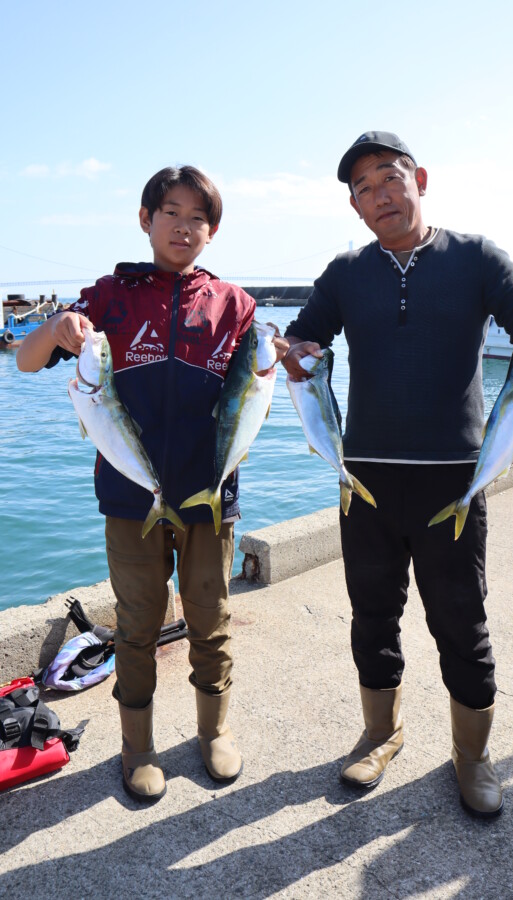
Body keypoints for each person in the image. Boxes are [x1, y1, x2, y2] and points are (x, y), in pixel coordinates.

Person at [282, 132, 513, 817]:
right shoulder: (346, 272)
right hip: (367, 481)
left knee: (461, 621)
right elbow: (305, 337)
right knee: (372, 616)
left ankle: (472, 755)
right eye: (363, 188)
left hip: (452, 479)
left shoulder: (476, 257)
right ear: (353, 207)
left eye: (390, 178)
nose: (379, 195)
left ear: (421, 180)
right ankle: (381, 733)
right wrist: (291, 354)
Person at [17, 165, 287, 803]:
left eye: (198, 217)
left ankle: (212, 731)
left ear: (212, 231)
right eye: (170, 211)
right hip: (128, 498)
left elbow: (257, 390)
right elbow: (28, 361)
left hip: (208, 497)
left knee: (211, 618)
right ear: (146, 219)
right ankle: (137, 746)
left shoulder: (234, 304)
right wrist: (55, 330)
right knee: (136, 624)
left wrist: (294, 363)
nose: (183, 226)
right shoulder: (107, 297)